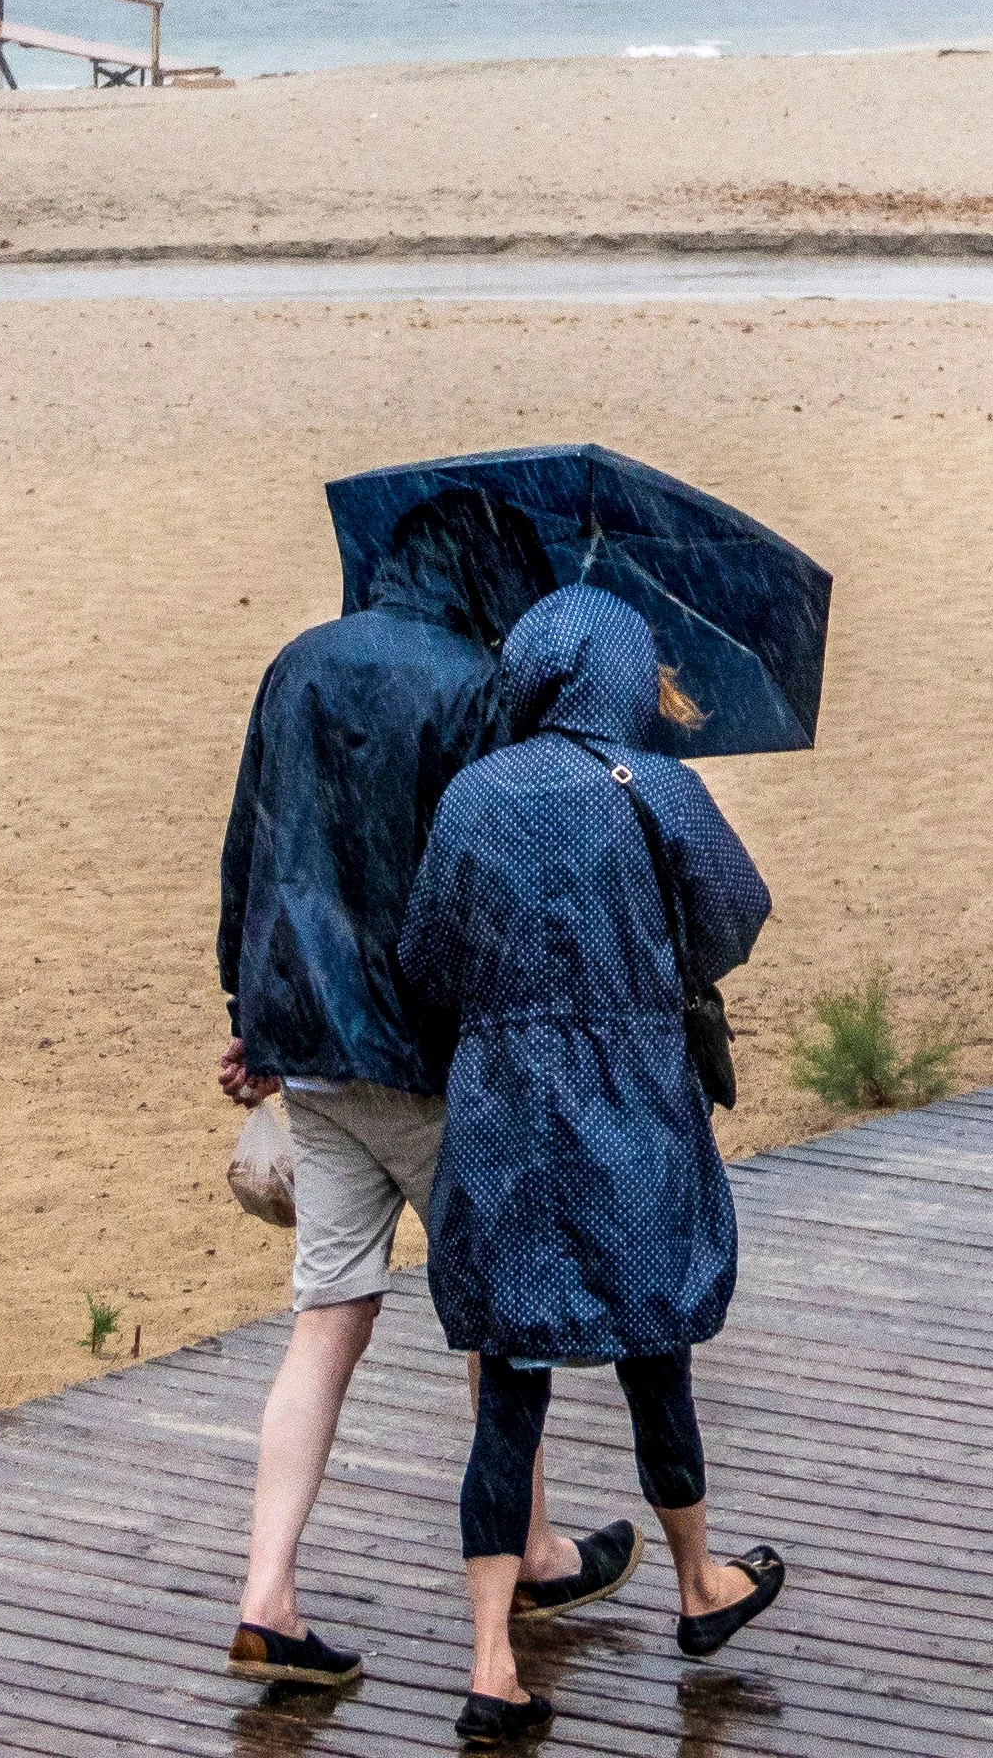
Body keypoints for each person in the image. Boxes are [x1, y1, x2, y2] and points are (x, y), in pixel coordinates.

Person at [214, 491, 627, 1687]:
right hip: (436, 1062)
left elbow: (250, 848)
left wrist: (247, 1017)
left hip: (315, 1054)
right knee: (500, 1320)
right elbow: (492, 876)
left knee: (326, 1319)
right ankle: (534, 1556)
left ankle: (266, 1592)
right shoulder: (474, 685)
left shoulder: (296, 664)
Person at [396, 586, 788, 1745]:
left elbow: (425, 954)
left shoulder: (473, 793)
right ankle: (699, 1582)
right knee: (651, 1345)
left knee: (508, 1380)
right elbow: (736, 918)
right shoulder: (655, 785)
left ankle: (487, 1663)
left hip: (506, 1109)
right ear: (621, 674)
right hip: (630, 1101)